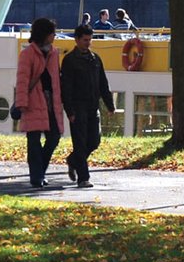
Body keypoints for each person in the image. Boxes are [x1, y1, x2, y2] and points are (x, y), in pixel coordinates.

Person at [61, 24, 115, 189]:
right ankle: (83, 178)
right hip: (78, 106)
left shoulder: (95, 59)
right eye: (85, 40)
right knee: (80, 142)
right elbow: (66, 88)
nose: (88, 43)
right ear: (76, 40)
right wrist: (69, 110)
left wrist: (110, 105)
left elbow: (103, 83)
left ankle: (73, 160)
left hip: (93, 106)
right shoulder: (69, 61)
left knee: (94, 141)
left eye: (90, 40)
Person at [13, 17, 66, 188]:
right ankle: (37, 176)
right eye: (52, 33)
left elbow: (56, 80)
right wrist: (22, 103)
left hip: (50, 101)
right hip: (34, 100)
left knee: (54, 138)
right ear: (45, 34)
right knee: (33, 141)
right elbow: (22, 80)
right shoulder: (27, 54)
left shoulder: (54, 52)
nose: (54, 36)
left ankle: (39, 171)